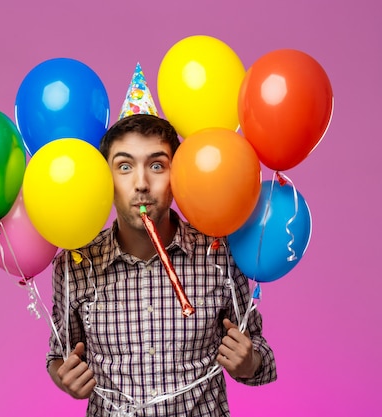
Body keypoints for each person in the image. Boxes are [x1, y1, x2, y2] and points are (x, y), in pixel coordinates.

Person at [47, 114, 277, 416]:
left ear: (177, 175)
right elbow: (57, 355)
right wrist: (64, 378)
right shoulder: (74, 265)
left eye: (157, 166)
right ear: (106, 179)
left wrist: (249, 363)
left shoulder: (219, 253)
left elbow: (258, 350)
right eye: (124, 167)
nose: (141, 184)